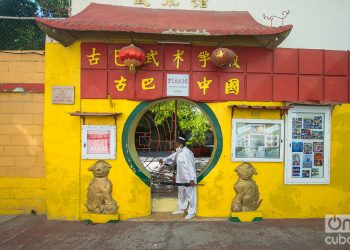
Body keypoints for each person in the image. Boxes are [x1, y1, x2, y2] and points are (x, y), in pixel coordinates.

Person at [159, 136, 197, 220]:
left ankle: (192, 212)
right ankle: (181, 209)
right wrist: (163, 160)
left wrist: (192, 179)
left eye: (176, 143)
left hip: (188, 177)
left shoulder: (188, 153)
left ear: (180, 144)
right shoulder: (179, 152)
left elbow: (191, 166)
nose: (174, 145)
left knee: (190, 195)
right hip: (180, 176)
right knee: (181, 193)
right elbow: (171, 157)